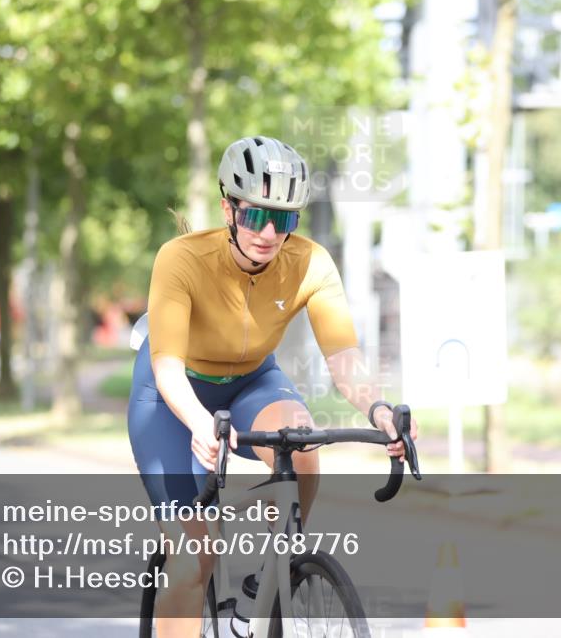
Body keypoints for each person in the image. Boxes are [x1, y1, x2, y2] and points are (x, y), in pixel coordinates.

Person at [127, 136, 418, 635]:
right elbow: (168, 366)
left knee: (302, 442)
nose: (266, 232)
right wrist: (200, 424)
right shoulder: (181, 259)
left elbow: (344, 356)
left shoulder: (310, 263)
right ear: (227, 209)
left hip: (252, 382)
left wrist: (380, 411)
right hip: (173, 396)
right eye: (252, 215)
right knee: (192, 559)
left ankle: (266, 583)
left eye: (282, 220)